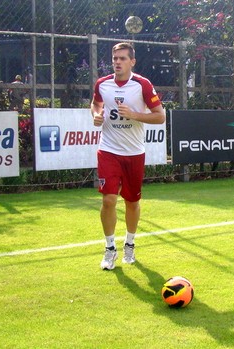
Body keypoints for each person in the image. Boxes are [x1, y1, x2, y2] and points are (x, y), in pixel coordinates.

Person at [90, 42, 166, 270]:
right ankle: (109, 248)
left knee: (132, 202)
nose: (118, 62)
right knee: (108, 199)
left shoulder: (142, 84)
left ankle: (130, 243)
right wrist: (96, 115)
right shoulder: (103, 84)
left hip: (134, 153)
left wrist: (134, 114)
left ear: (132, 61)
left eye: (123, 58)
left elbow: (160, 116)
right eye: (115, 58)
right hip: (109, 150)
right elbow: (95, 103)